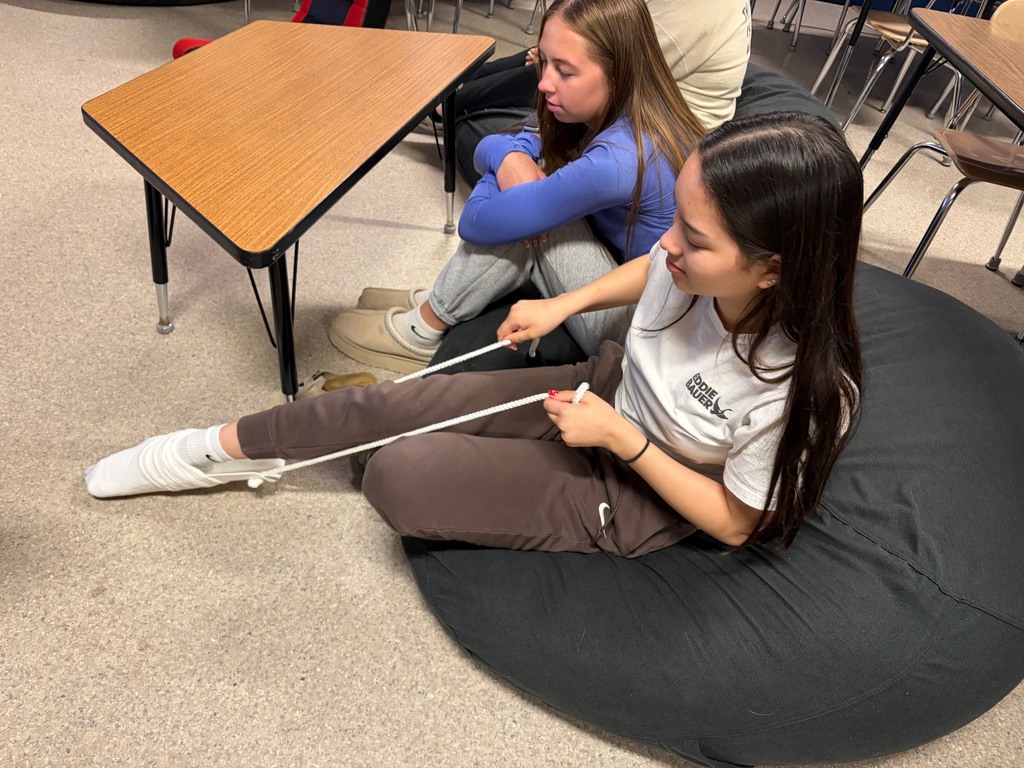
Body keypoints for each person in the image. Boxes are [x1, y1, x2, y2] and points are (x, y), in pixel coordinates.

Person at [85, 111, 863, 555]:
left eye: (692, 239)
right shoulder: (690, 265)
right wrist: (564, 306)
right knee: (385, 408)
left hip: (640, 488)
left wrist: (621, 442)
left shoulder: (802, 390)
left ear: (770, 269)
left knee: (398, 475)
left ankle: (371, 457)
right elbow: (646, 274)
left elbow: (735, 522)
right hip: (602, 392)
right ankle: (210, 451)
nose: (665, 247)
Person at [329, 0, 706, 375]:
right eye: (544, 60)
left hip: (643, 335)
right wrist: (511, 160)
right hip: (633, 283)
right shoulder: (628, 110)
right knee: (531, 182)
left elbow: (475, 222)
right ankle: (441, 296)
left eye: (566, 71)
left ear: (617, 72)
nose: (544, 83)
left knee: (537, 220)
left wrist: (512, 176)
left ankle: (422, 327)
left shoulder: (620, 159)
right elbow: (497, 143)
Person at [438, 0, 751, 156]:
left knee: (475, 132)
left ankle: (447, 103)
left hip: (655, 126)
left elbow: (612, 65)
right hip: (629, 90)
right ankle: (448, 92)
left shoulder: (696, 11)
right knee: (545, 56)